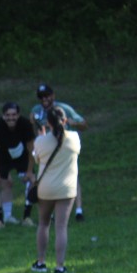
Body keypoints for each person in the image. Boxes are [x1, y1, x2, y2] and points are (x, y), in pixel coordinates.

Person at [31, 106, 81, 273]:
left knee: (43, 224)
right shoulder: (74, 138)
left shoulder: (40, 141)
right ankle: (59, 266)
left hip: (46, 188)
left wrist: (42, 136)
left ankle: (41, 262)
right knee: (61, 227)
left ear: (48, 122)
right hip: (66, 189)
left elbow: (37, 159)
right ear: (65, 121)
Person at [31, 84, 88, 220]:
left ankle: (78, 210)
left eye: (47, 96)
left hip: (63, 147)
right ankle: (50, 212)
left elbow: (83, 124)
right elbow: (33, 125)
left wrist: (73, 123)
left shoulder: (64, 109)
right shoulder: (36, 110)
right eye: (41, 97)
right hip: (47, 147)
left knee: (72, 176)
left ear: (53, 96)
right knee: (46, 175)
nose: (44, 99)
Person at [0, 102, 36, 229]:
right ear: (3, 115)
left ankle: (27, 217)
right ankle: (0, 220)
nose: (11, 118)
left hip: (22, 157)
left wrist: (29, 171)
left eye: (14, 115)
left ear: (18, 115)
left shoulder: (25, 124)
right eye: (8, 115)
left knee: (32, 180)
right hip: (4, 157)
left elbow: (31, 149)